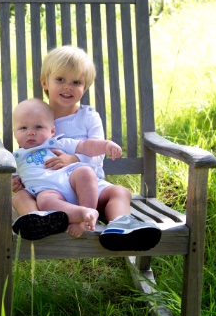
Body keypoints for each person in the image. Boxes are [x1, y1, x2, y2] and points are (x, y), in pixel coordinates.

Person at [12, 46, 161, 251]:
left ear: (86, 86)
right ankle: (41, 220)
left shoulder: (89, 117)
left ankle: (121, 225)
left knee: (120, 192)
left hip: (91, 188)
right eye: (61, 79)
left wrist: (73, 159)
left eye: (77, 82)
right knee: (27, 198)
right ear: (45, 82)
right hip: (53, 192)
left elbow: (96, 155)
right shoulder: (36, 117)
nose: (68, 87)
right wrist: (16, 176)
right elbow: (27, 155)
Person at [12, 98, 123, 238]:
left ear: (52, 131)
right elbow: (0, 174)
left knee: (85, 172)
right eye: (23, 128)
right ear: (15, 133)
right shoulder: (15, 157)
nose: (30, 132)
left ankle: (88, 213)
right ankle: (82, 214)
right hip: (48, 191)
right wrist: (12, 181)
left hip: (71, 183)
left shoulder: (57, 143)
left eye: (38, 127)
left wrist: (105, 145)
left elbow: (85, 146)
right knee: (45, 201)